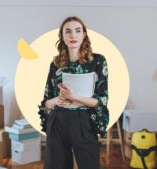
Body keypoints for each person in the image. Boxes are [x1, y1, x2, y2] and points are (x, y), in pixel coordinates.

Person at [38, 16, 109, 169]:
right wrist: (56, 100)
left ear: (84, 34)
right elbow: (46, 101)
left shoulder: (98, 61)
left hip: (84, 121)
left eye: (78, 31)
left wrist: (74, 97)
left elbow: (101, 100)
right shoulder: (56, 64)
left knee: (89, 165)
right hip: (58, 120)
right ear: (62, 37)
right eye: (68, 31)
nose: (73, 35)